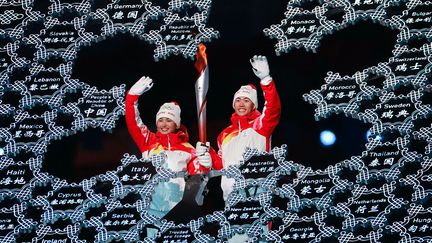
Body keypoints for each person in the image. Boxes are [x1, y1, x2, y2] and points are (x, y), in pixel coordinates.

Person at [125, 76, 213, 218]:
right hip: (151, 211)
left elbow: (197, 181)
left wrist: (205, 165)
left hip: (178, 211)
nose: (164, 124)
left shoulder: (189, 150)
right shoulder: (149, 142)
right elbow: (133, 121)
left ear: (177, 124)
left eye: (169, 120)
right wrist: (131, 98)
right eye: (160, 120)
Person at [215, 55, 281, 201]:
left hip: (258, 194)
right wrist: (208, 156)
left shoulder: (260, 125)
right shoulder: (224, 135)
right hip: (230, 197)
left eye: (246, 100)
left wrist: (266, 80)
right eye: (238, 100)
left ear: (253, 105)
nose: (241, 104)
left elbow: (273, 108)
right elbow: (221, 165)